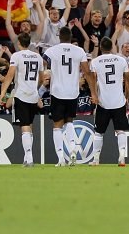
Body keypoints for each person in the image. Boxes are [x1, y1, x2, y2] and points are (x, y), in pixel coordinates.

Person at [45, 27, 93, 166]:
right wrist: (94, 92)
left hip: (57, 91)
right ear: (71, 37)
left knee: (57, 125)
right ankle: (72, 150)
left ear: (59, 36)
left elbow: (44, 63)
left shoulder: (52, 50)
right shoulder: (79, 51)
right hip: (72, 91)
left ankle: (61, 158)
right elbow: (87, 72)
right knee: (70, 121)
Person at [0, 32, 44, 167]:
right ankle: (27, 157)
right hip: (33, 95)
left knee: (24, 125)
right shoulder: (38, 57)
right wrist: (34, 88)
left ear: (19, 43)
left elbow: (10, 76)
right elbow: (41, 78)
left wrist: (2, 93)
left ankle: (29, 158)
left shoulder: (16, 56)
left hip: (21, 94)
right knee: (29, 125)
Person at [89, 37, 129, 166]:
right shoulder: (121, 60)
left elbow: (92, 79)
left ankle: (96, 159)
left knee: (98, 132)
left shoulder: (95, 61)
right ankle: (122, 157)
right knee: (121, 131)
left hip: (103, 102)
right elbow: (128, 81)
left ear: (101, 47)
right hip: (118, 101)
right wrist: (127, 97)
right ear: (112, 47)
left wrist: (94, 95)